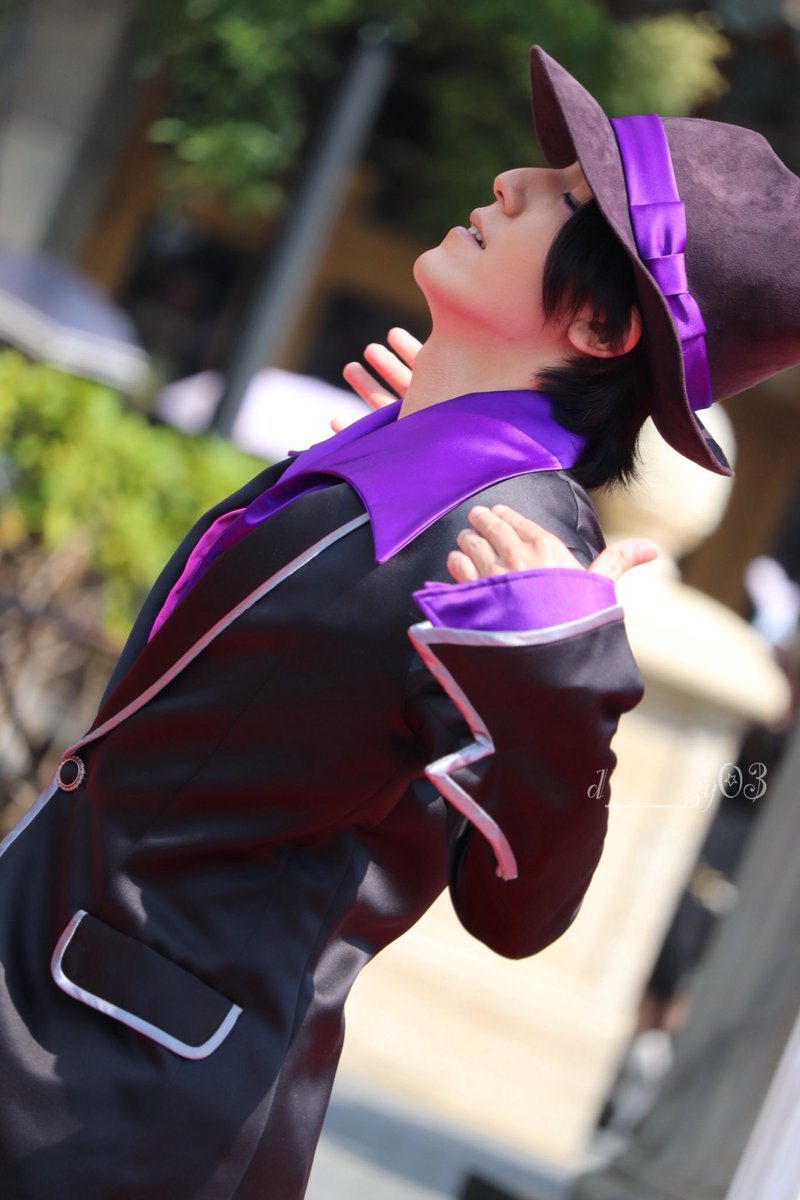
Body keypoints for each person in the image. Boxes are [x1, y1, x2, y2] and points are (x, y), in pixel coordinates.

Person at [1, 43, 799, 1200]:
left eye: (564, 197)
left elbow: (523, 907)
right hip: (56, 1029)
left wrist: (561, 671)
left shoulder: (515, 548)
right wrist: (403, 436)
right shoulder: (418, 464)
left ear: (599, 323)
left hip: (123, 1108)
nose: (510, 184)